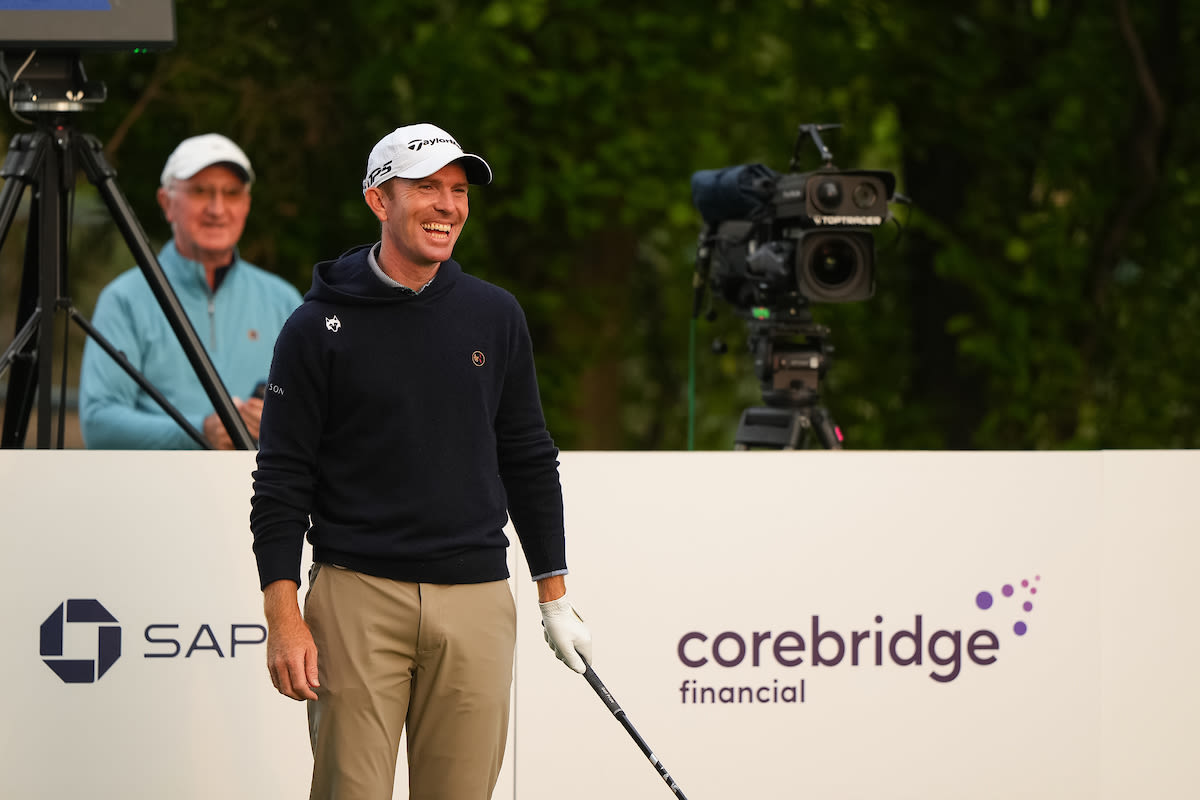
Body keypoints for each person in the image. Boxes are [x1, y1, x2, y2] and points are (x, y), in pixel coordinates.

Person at [249, 122, 592, 799]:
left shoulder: (494, 316)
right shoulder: (316, 327)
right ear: (380, 199)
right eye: (427, 187)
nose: (448, 206)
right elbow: (282, 480)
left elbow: (526, 458)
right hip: (356, 596)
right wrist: (284, 618)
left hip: (476, 599)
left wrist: (554, 597)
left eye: (459, 191)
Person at [78, 133, 303, 449]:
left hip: (258, 495)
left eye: (231, 193)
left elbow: (322, 414)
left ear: (246, 205)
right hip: (157, 493)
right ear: (166, 203)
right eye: (200, 191)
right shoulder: (124, 299)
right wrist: (200, 431)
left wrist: (279, 418)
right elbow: (98, 423)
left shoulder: (283, 300)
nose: (217, 208)